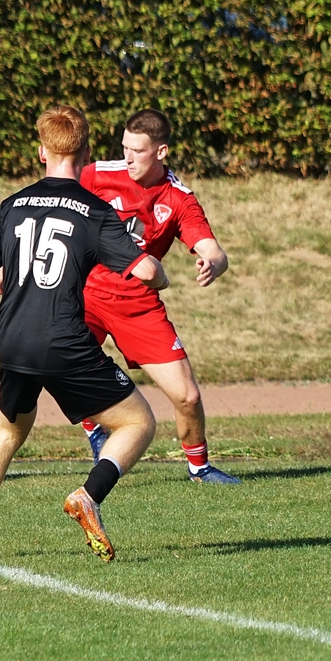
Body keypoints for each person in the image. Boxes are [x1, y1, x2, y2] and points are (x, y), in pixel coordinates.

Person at [0, 105, 170, 562]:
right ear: (86, 154)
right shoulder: (94, 210)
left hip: (12, 339)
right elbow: (146, 271)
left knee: (8, 432)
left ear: (41, 152)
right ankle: (89, 494)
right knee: (139, 423)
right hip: (64, 342)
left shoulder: (12, 205)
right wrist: (160, 273)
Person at [78, 109, 239, 484]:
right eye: (124, 148)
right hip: (86, 296)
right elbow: (44, 204)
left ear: (161, 151)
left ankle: (199, 469)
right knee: (64, 366)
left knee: (188, 397)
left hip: (139, 307)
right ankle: (94, 427)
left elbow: (213, 250)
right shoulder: (96, 175)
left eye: (137, 150)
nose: (128, 157)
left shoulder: (178, 198)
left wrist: (213, 263)